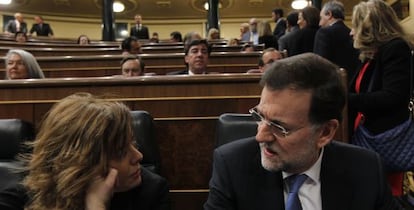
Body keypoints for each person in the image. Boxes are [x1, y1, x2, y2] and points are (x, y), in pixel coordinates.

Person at [204, 53, 400, 210]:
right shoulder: (231, 166)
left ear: (325, 132)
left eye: (280, 127)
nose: (260, 136)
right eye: (260, 117)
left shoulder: (366, 169)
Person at [0, 92, 170, 210]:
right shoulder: (24, 193)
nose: (138, 156)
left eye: (133, 143)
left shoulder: (151, 192)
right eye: (120, 152)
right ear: (80, 161)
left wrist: (96, 205)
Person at [348, 0, 412, 197]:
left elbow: (393, 97)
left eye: (355, 25)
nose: (351, 32)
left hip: (386, 135)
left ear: (369, 25)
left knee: (385, 194)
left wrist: (346, 99)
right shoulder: (371, 54)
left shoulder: (395, 48)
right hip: (370, 132)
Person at [313, 0, 358, 83]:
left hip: (332, 84)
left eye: (321, 18)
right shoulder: (351, 32)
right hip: (351, 83)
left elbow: (320, 64)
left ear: (329, 14)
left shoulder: (324, 32)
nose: (319, 23)